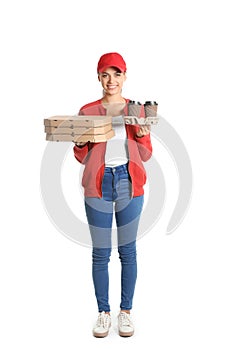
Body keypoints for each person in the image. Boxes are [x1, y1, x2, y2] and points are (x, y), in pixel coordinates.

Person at [73, 52, 152, 337]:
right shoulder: (87, 111)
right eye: (105, 74)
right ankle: (103, 313)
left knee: (127, 251)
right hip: (98, 183)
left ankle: (125, 313)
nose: (111, 80)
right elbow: (80, 155)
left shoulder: (137, 110)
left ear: (125, 76)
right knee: (100, 254)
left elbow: (145, 154)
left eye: (116, 74)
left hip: (129, 183)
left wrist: (141, 134)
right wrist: (81, 142)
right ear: (98, 77)